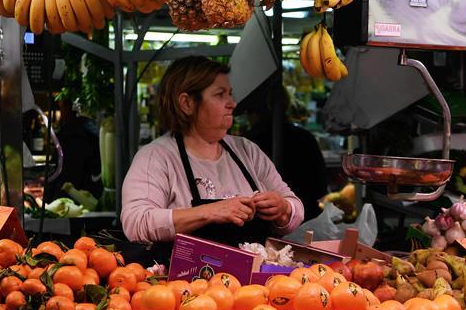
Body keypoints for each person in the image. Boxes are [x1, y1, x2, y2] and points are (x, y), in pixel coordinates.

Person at [121, 56, 304, 247]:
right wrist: (209, 212)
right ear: (187, 103)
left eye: (230, 94)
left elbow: (295, 207)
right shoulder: (156, 157)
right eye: (220, 94)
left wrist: (283, 209)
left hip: (256, 275)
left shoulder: (247, 151)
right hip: (187, 277)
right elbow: (136, 223)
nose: (232, 103)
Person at [242, 84, 327, 222]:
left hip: (271, 221)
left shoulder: (248, 145)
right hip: (308, 216)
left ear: (254, 112)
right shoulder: (305, 137)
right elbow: (320, 187)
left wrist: (286, 206)